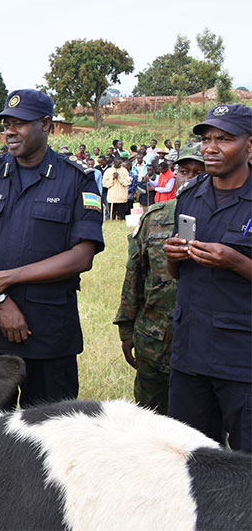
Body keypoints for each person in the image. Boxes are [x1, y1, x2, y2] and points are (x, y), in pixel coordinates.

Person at [0, 89, 104, 409]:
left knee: (49, 436)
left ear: (46, 124)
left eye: (19, 123)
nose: (9, 130)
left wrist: (6, 278)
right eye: (6, 122)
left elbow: (83, 255)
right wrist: (0, 298)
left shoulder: (77, 180)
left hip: (46, 333)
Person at [163, 103, 252, 452]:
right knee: (192, 463)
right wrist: (174, 257)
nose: (210, 148)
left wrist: (235, 262)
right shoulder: (191, 195)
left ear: (249, 145)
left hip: (242, 360)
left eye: (224, 139)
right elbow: (178, 275)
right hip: (190, 353)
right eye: (206, 138)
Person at [114, 144, 205, 414]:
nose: (190, 179)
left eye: (201, 173)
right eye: (184, 171)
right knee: (150, 424)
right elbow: (134, 277)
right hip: (153, 343)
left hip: (205, 347)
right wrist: (126, 330)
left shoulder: (229, 218)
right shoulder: (155, 217)